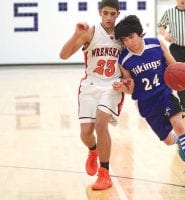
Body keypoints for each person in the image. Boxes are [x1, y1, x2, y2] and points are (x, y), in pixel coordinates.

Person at [113, 15, 185, 184]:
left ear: (139, 34)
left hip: (165, 94)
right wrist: (122, 87)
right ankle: (180, 143)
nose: (129, 42)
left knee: (179, 125)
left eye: (131, 37)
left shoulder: (157, 44)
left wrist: (184, 71)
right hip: (146, 103)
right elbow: (130, 89)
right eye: (124, 39)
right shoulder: (124, 60)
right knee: (168, 140)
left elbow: (174, 66)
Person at [59, 0, 123, 190]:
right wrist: (76, 34)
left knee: (101, 123)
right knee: (86, 133)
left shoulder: (123, 35)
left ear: (118, 14)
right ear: (99, 13)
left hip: (113, 86)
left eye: (113, 14)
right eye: (106, 13)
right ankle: (93, 150)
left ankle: (104, 173)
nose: (109, 18)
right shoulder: (90, 32)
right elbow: (63, 55)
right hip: (90, 85)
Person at [158, 0, 185, 112]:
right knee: (178, 75)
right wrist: (165, 34)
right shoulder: (169, 12)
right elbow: (161, 26)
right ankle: (183, 102)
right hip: (176, 48)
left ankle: (184, 95)